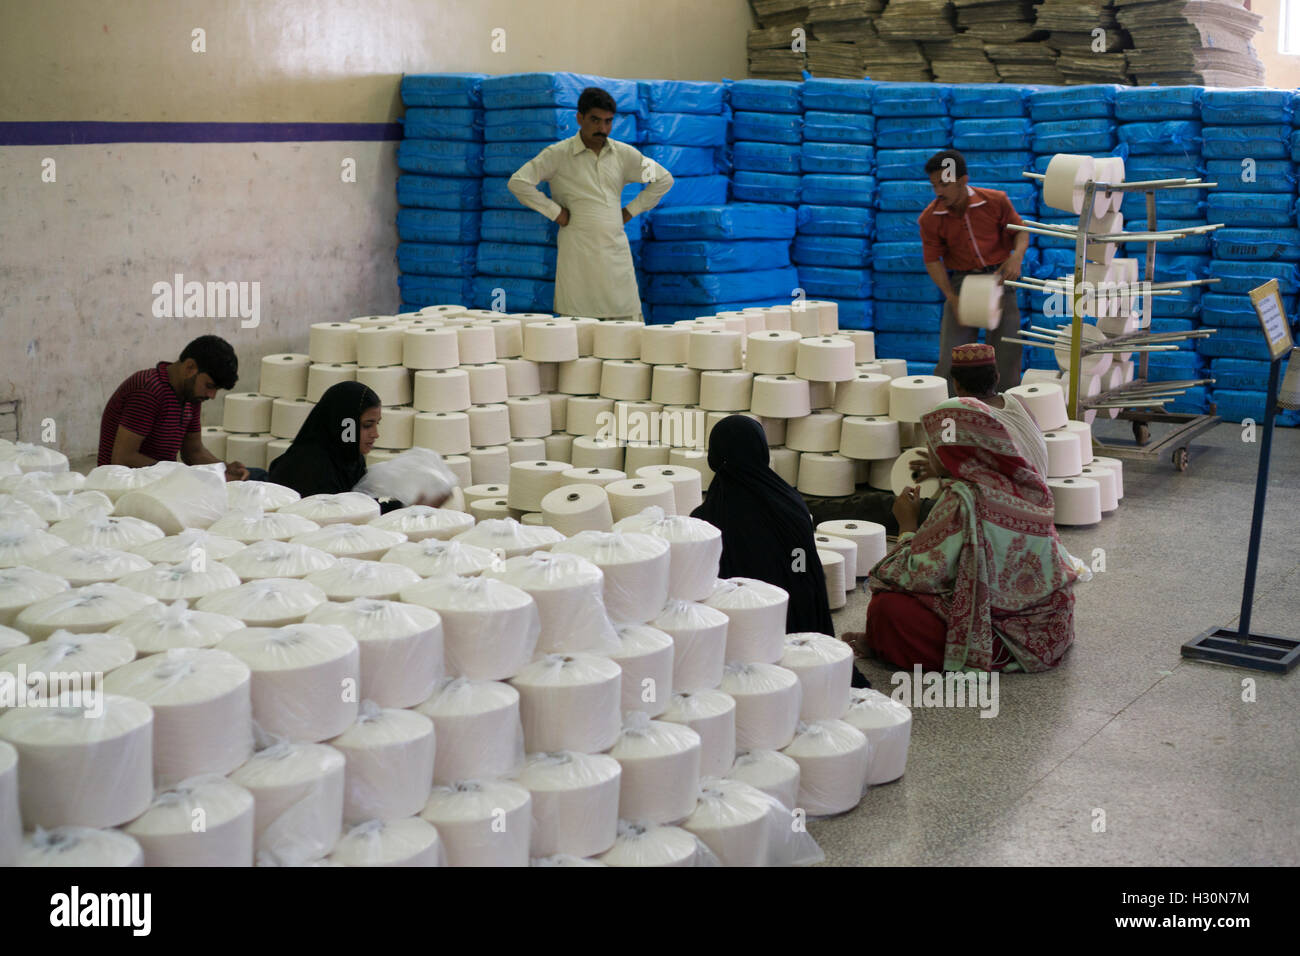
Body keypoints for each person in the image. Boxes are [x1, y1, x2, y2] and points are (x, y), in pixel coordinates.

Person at [844, 398, 1079, 673]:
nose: (931, 452)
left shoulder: (963, 499)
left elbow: (917, 574)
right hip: (1051, 627)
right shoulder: (1025, 485)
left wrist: (906, 526)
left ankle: (887, 643)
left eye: (934, 445)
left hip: (1003, 635)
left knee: (887, 609)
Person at [508, 86, 674, 320]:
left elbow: (663, 179)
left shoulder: (624, 155)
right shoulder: (558, 154)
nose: (602, 129)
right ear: (579, 118)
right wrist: (555, 212)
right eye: (595, 120)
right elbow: (519, 182)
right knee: (579, 334)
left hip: (615, 254)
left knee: (625, 333)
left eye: (608, 121)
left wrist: (630, 210)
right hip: (577, 256)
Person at [690, 415, 838, 641]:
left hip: (745, 629)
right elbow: (802, 566)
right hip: (800, 619)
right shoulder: (790, 502)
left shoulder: (708, 517)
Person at [920, 149, 1029, 393]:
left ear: (963, 180)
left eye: (944, 184)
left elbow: (1021, 231)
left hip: (1001, 281)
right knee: (951, 355)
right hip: (962, 284)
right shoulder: (930, 218)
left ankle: (1005, 412)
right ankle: (948, 409)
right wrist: (952, 297)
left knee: (1007, 353)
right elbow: (932, 260)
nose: (938, 191)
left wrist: (1016, 258)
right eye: (934, 185)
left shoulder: (995, 201)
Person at [266, 381, 445, 510]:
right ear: (344, 425)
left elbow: (360, 501)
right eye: (367, 425)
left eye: (377, 424)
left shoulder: (349, 459)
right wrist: (404, 509)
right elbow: (340, 516)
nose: (375, 434)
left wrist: (405, 504)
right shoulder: (310, 469)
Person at [99, 334, 249, 480]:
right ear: (190, 367)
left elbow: (193, 451)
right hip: (124, 486)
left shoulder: (191, 396)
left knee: (254, 476)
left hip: (161, 480)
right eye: (209, 386)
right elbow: (123, 458)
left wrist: (224, 468)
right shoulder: (149, 389)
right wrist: (181, 474)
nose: (212, 395)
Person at [913, 343, 1049, 482]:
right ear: (997, 377)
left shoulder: (955, 411)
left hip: (1012, 500)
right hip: (1044, 493)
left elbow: (942, 466)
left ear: (956, 384)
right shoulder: (1018, 400)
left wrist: (937, 468)